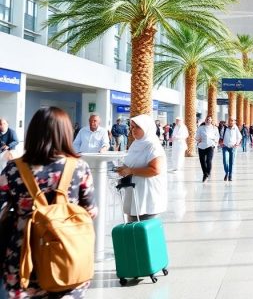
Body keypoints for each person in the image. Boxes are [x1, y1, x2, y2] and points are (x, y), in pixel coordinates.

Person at [0, 107, 97, 298]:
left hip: (24, 258)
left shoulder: (13, 169)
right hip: (68, 256)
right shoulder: (78, 167)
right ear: (65, 133)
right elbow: (91, 210)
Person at [115, 114, 168, 222]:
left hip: (147, 195)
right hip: (134, 193)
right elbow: (131, 163)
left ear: (146, 127)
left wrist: (131, 171)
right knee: (133, 230)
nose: (133, 130)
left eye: (137, 127)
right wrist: (123, 168)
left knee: (145, 231)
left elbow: (156, 169)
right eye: (132, 127)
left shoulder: (153, 146)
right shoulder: (136, 144)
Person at [195, 116, 219, 182]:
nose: (208, 120)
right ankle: (205, 173)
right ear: (205, 120)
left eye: (209, 119)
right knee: (202, 161)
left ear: (211, 120)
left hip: (210, 146)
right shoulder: (201, 127)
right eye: (207, 119)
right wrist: (198, 139)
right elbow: (196, 135)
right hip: (201, 146)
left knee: (208, 160)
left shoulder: (214, 128)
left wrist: (215, 142)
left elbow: (217, 136)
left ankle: (207, 173)